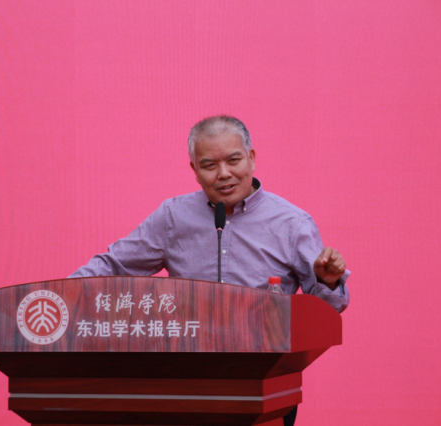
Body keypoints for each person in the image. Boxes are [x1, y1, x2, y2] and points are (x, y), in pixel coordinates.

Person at [70, 115, 350, 426]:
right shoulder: (173, 216)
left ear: (251, 158)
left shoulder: (292, 223)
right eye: (209, 165)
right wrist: (58, 294)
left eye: (233, 160)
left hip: (264, 384)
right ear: (194, 170)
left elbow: (326, 311)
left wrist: (328, 282)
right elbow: (114, 265)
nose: (224, 174)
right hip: (187, 382)